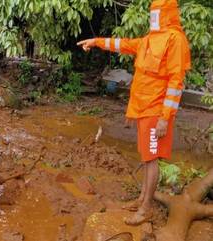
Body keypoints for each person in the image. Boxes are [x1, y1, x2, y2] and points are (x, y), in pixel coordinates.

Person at [77, 0, 190, 225]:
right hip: (142, 110)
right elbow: (123, 43)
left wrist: (164, 119)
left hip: (156, 112)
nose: (153, 17)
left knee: (150, 159)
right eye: (152, 13)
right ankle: (141, 199)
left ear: (166, 13)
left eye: (156, 13)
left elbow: (176, 82)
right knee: (146, 157)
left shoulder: (175, 40)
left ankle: (146, 208)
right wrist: (96, 41)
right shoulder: (149, 39)